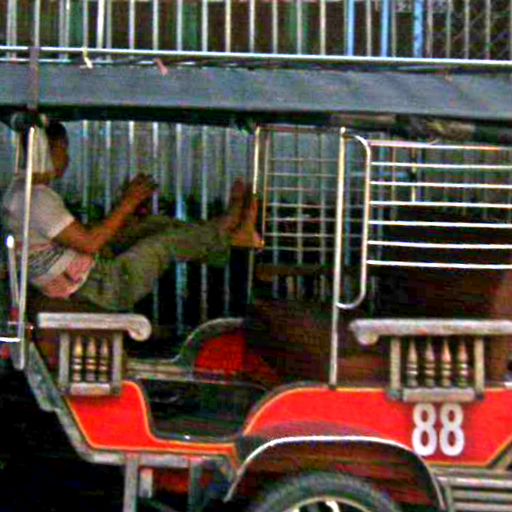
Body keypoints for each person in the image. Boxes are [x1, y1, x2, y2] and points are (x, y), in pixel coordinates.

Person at [2, 121, 263, 312]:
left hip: (86, 273)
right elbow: (90, 243)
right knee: (162, 245)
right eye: (64, 150)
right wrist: (129, 202)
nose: (67, 158)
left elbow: (80, 237)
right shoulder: (36, 199)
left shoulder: (22, 192)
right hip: (99, 286)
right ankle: (230, 236)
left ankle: (226, 232)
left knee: (153, 226)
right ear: (51, 151)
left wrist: (125, 210)